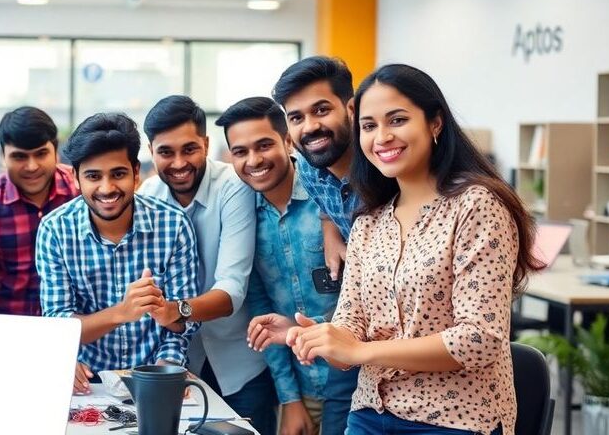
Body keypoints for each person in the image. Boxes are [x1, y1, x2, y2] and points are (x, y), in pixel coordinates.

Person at [285, 64, 540, 434]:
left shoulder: (476, 206)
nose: (382, 137)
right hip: (371, 411)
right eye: (369, 126)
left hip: (455, 418)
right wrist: (325, 339)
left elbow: (479, 339)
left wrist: (360, 352)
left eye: (397, 120)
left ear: (435, 123)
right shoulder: (369, 221)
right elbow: (352, 322)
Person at [216, 97, 357, 435]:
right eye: (240, 152)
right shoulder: (241, 216)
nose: (254, 160)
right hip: (302, 386)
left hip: (359, 379)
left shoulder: (328, 198)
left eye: (264, 145)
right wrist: (290, 399)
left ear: (288, 141)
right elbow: (261, 313)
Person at [137, 96, 275, 435]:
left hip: (241, 362)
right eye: (166, 152)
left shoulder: (233, 186)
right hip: (176, 363)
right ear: (151, 152)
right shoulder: (148, 196)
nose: (179, 162)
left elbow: (231, 291)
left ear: (206, 144)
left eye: (189, 149)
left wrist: (176, 310)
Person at [35, 112, 200, 394]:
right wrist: (123, 312)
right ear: (75, 177)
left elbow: (184, 325)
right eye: (93, 176)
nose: (107, 188)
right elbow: (59, 326)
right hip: (87, 381)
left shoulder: (173, 224)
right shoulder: (55, 230)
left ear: (136, 173)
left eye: (118, 174)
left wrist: (167, 367)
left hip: (155, 375)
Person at [0, 107, 78, 315]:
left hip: (77, 325)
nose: (31, 166)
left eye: (41, 154)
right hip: (9, 326)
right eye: (19, 157)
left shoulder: (80, 190)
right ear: (3, 156)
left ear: (56, 152)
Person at [272, 56, 357, 281]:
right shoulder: (308, 167)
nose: (310, 127)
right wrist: (330, 230)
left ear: (352, 109)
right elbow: (326, 205)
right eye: (297, 118)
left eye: (321, 110)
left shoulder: (385, 166)